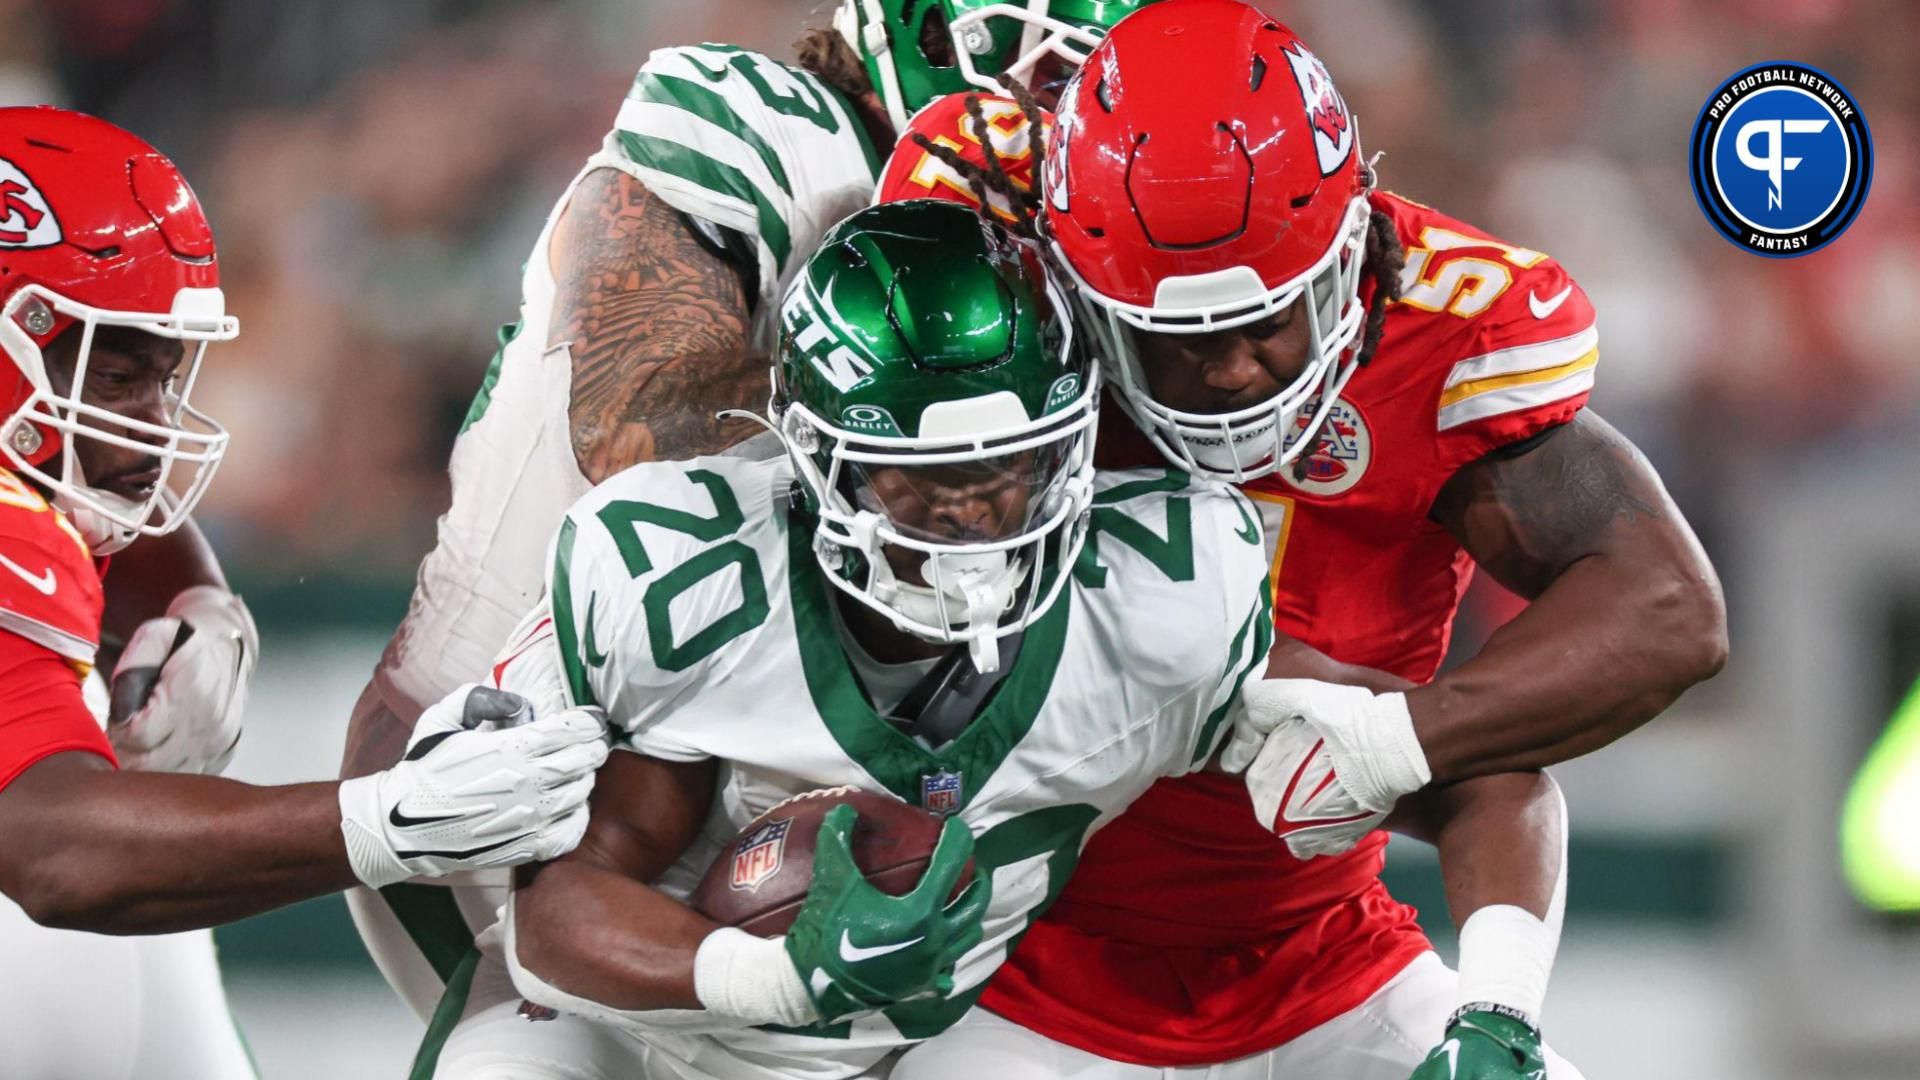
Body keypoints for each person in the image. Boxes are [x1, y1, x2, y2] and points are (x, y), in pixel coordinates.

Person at [412, 198, 1574, 1080]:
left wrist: (1500, 1005)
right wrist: (772, 971)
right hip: (625, 1037)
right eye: (921, 481)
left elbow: (1476, 775)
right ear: (814, 461)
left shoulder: (1162, 600)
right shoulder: (690, 577)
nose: (972, 514)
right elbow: (555, 911)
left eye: (1008, 470)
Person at [889, 2, 1727, 1077]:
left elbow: (1668, 611)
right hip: (1016, 974)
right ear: (1080, 296)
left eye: (1265, 321)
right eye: (1182, 338)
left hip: (1329, 967)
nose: (1233, 370)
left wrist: (1393, 741)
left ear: (1347, 254)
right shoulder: (998, 302)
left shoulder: (1439, 332)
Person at [339, 0, 1162, 1021]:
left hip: (777, 765)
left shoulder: (1023, 253)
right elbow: (633, 429)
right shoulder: (769, 132)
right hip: (522, 767)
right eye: (1069, 82)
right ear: (945, 37)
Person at [0, 105, 610, 1078]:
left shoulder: (38, 474)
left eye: (164, 373)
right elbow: (53, 855)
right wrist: (389, 817)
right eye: (116, 372)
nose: (151, 429)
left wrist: (197, 601)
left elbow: (84, 495)